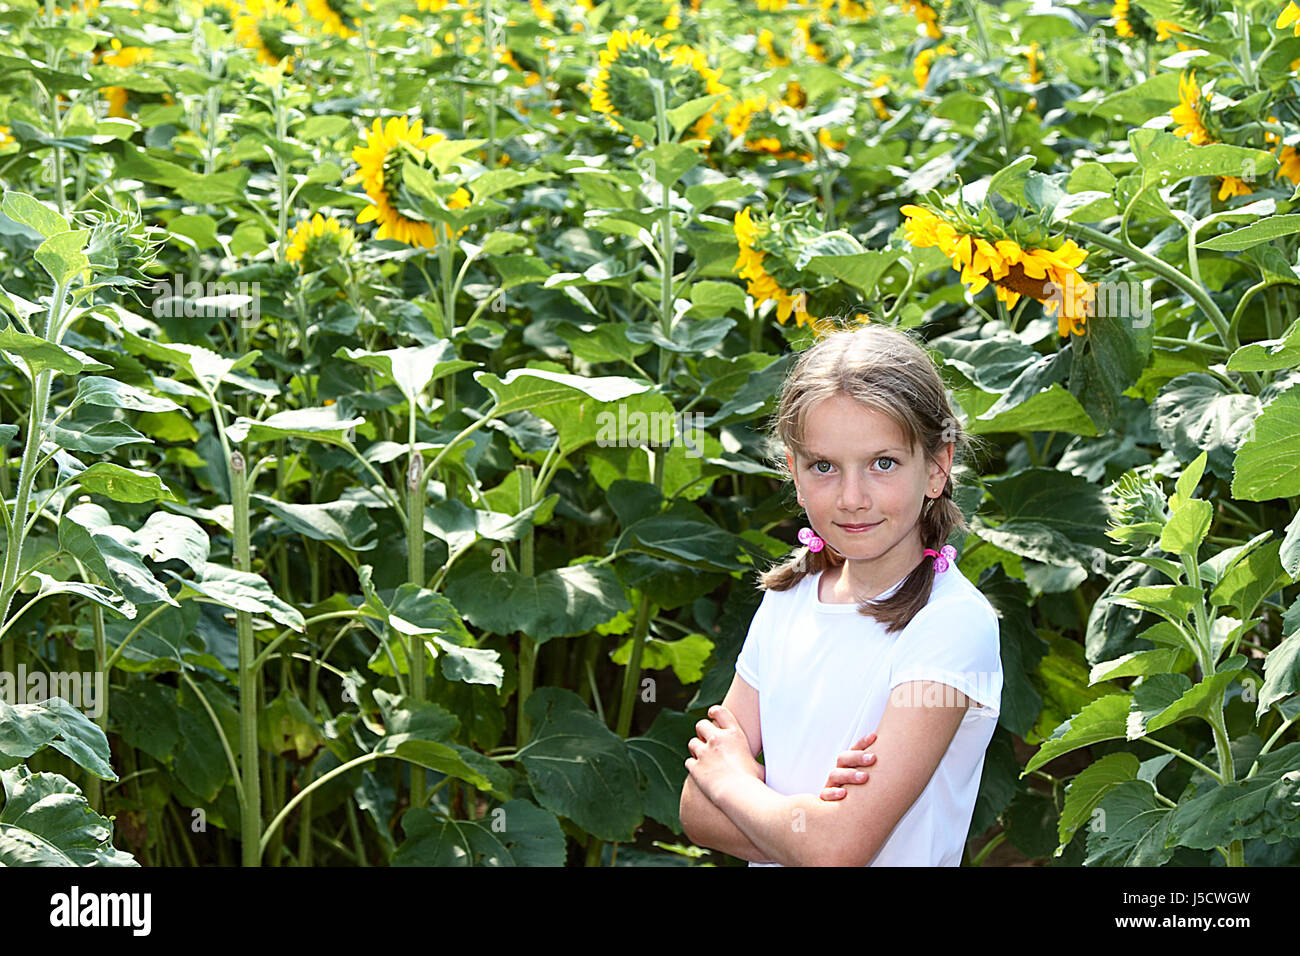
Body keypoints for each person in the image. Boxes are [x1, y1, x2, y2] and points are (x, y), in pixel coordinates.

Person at [679, 321, 1003, 866]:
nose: (852, 499)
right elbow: (694, 812)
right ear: (794, 472)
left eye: (883, 464)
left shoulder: (950, 624)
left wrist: (733, 782)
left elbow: (837, 851)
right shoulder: (789, 598)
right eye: (824, 466)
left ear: (937, 468)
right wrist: (806, 827)